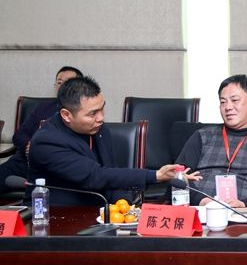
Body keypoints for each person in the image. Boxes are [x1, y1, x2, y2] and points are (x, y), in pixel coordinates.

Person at [28, 76, 199, 205]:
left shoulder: (99, 130)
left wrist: (126, 206)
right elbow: (95, 176)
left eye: (102, 109)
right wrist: (155, 175)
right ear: (66, 115)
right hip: (56, 217)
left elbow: (110, 174)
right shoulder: (47, 142)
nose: (101, 118)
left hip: (98, 213)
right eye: (92, 114)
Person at [176, 75, 247, 208]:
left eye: (235, 100)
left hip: (244, 213)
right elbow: (177, 176)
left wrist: (244, 204)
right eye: (223, 102)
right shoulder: (202, 136)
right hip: (200, 210)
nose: (228, 107)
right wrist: (202, 200)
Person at [0, 66, 82, 195]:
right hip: (25, 163)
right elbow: (19, 135)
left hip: (57, 167)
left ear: (80, 86)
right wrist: (28, 145)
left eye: (67, 82)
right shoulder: (44, 108)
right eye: (59, 82)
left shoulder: (83, 112)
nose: (62, 86)